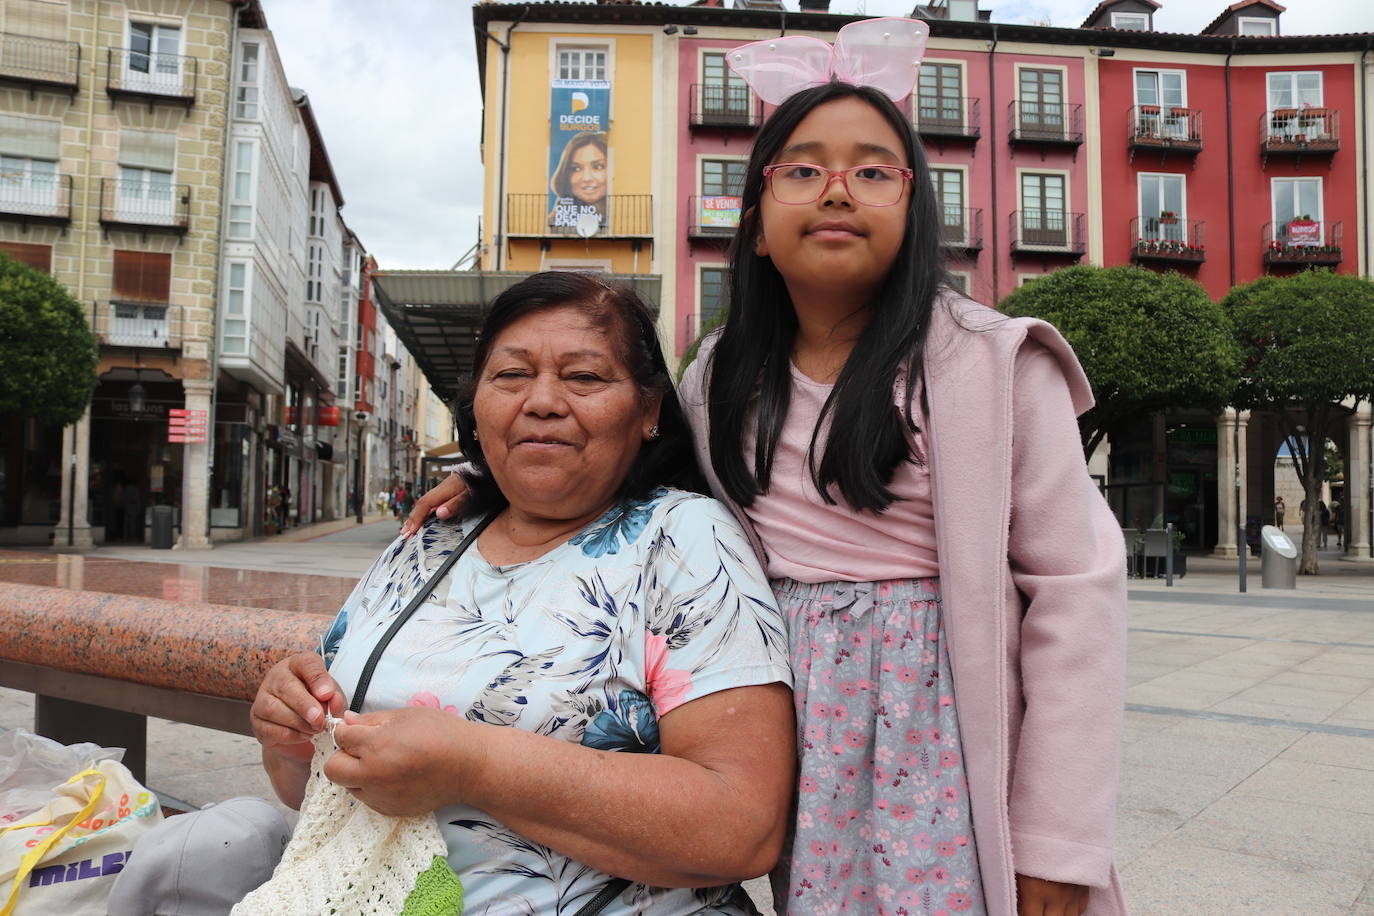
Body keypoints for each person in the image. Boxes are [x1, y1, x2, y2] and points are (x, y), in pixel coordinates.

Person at [410, 48, 1126, 916]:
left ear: (915, 207)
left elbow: (1076, 593)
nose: (836, 189)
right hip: (803, 733)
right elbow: (638, 481)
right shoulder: (722, 378)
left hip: (948, 728)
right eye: (803, 169)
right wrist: (492, 487)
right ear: (754, 221)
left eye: (871, 170)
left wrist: (1056, 841)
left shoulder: (993, 365)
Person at [252, 272, 795, 914]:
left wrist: (474, 766)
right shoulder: (429, 539)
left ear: (648, 410)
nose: (542, 401)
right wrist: (288, 736)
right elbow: (307, 789)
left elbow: (743, 826)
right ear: (477, 407)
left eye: (584, 378)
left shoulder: (684, 540)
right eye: (511, 375)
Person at [548, 130, 609, 229]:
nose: (586, 178)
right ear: (566, 174)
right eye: (576, 168)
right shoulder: (554, 222)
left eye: (598, 166)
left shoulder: (619, 216)